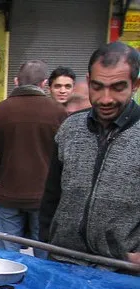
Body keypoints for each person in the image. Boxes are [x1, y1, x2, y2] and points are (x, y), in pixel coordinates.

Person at [40, 42, 140, 267]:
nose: (105, 99)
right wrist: (47, 241)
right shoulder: (70, 128)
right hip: (63, 262)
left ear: (135, 85)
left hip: (120, 272)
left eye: (117, 87)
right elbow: (52, 194)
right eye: (97, 86)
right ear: (88, 81)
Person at [0, 60, 67, 257]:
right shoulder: (58, 113)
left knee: (7, 257)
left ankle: (9, 288)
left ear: (17, 81)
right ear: (43, 83)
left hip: (7, 194)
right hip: (44, 197)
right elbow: (65, 158)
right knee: (44, 255)